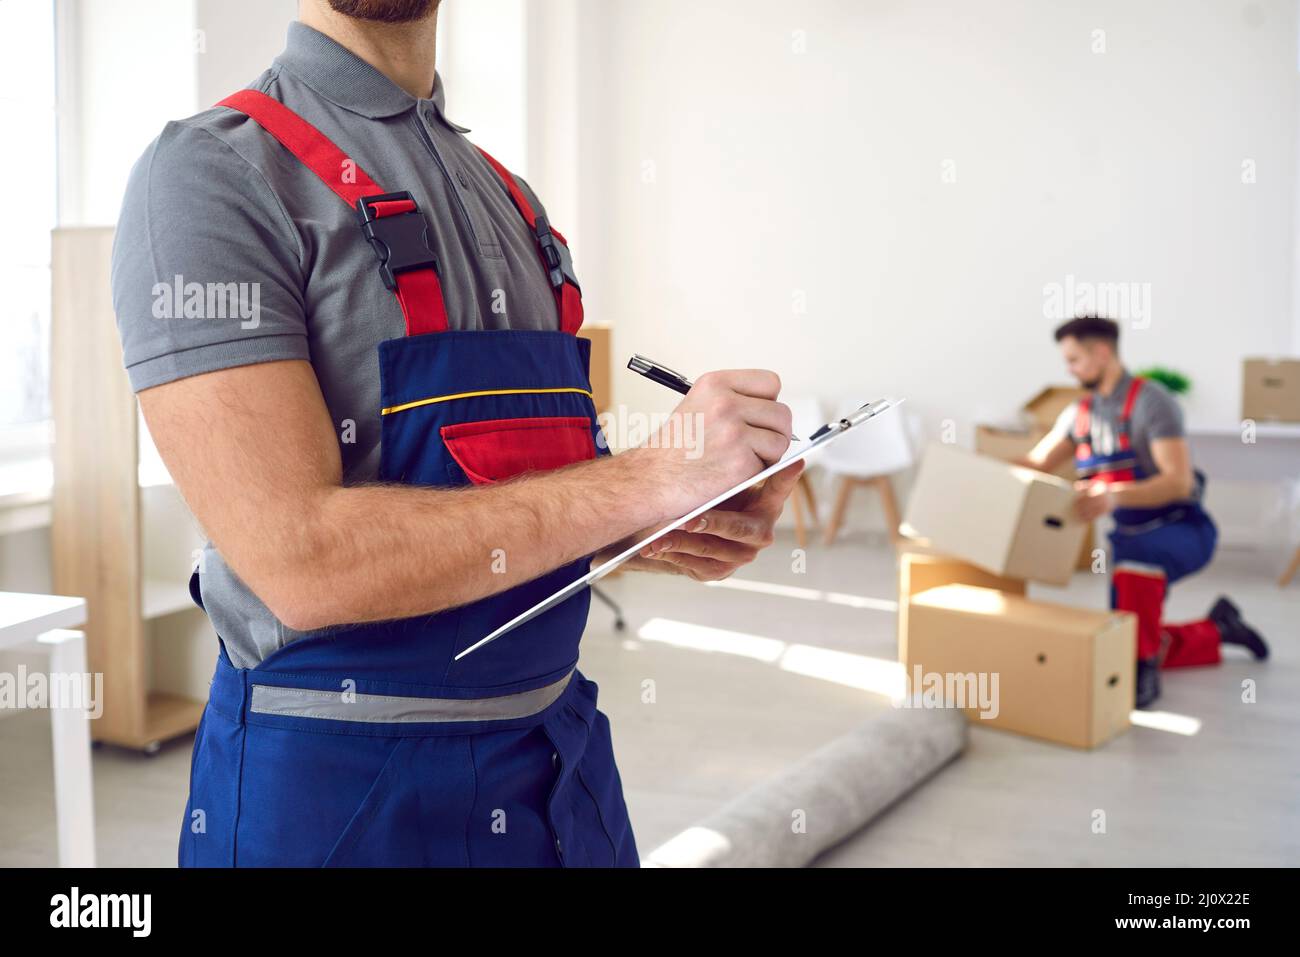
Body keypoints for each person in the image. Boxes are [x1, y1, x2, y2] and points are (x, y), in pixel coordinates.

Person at [110, 0, 802, 867]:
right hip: (341, 799)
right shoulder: (210, 176)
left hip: (559, 770)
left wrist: (666, 522)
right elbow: (299, 559)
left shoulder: (516, 203)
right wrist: (645, 480)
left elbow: (526, 504)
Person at [1023, 317, 1268, 709]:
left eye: (1073, 359)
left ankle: (1142, 675)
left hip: (1181, 529)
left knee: (1131, 635)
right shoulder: (1079, 414)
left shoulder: (1153, 403)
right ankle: (1216, 630)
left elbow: (1180, 482)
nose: (1069, 369)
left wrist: (1113, 496)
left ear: (1101, 352)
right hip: (1129, 541)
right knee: (1122, 639)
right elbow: (1035, 464)